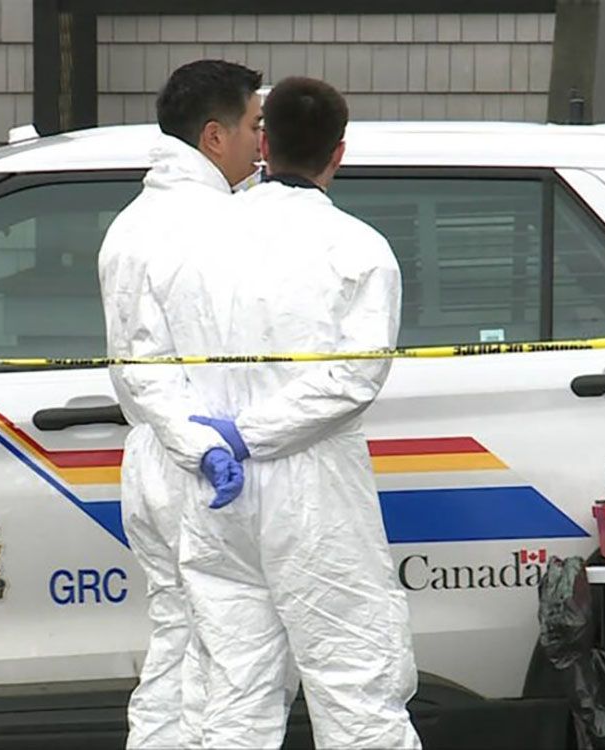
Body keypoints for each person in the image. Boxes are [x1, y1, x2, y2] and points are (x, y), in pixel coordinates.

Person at [155, 76, 421, 749]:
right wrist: (249, 437)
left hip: (215, 490)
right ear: (339, 153)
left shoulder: (191, 243)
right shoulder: (358, 249)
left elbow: (154, 363)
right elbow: (350, 383)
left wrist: (208, 444)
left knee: (233, 690)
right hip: (311, 490)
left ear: (264, 143)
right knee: (356, 681)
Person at [97, 59, 262, 749]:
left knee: (176, 637)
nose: (264, 140)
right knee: (233, 656)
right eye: (255, 125)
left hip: (154, 460)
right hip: (203, 460)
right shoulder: (211, 226)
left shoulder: (134, 221)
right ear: (215, 136)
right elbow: (177, 364)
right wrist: (208, 446)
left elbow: (137, 361)